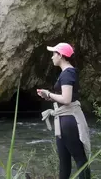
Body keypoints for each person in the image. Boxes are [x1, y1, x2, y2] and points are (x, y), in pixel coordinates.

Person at [37, 43, 91, 179]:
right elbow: (65, 98)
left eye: (54, 54)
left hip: (68, 120)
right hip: (63, 120)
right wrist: (47, 96)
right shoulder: (67, 73)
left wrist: (48, 94)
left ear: (61, 56)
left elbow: (66, 99)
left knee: (80, 160)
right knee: (65, 162)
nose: (51, 57)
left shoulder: (67, 74)